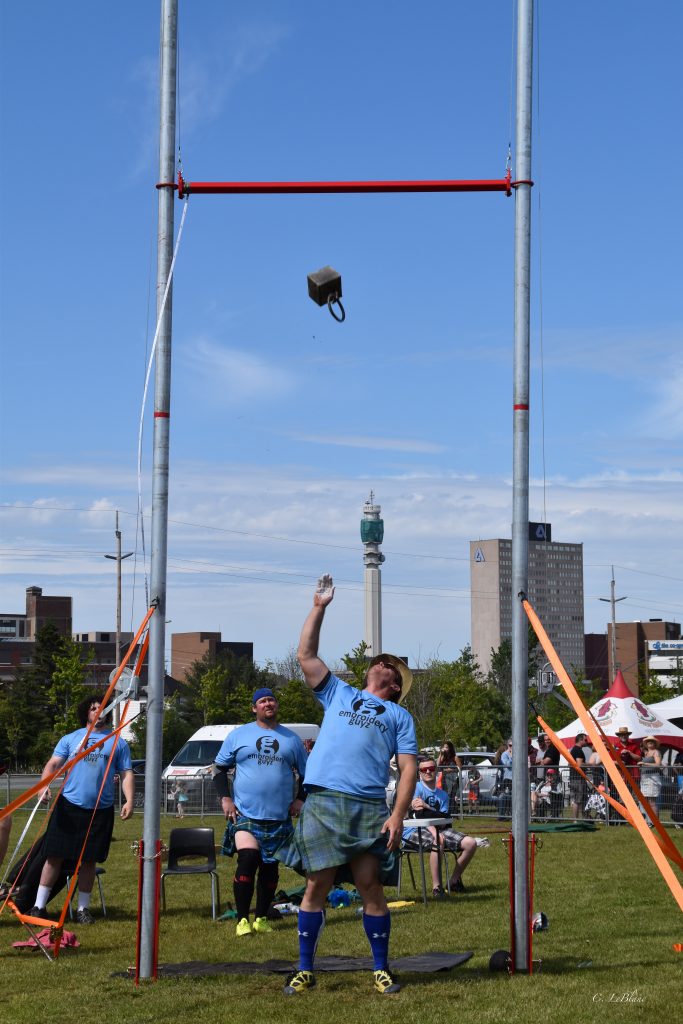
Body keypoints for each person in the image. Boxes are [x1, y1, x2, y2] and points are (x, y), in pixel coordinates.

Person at [278, 574, 418, 997]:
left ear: (394, 685)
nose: (381, 663)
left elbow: (409, 768)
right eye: (381, 661)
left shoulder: (398, 717)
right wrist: (319, 606)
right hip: (323, 801)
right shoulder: (338, 692)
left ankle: (381, 968)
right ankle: (304, 968)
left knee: (369, 885)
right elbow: (305, 654)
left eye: (390, 666)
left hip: (366, 807)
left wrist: (397, 815)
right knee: (316, 885)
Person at [212, 687, 308, 937]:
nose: (268, 704)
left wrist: (299, 800)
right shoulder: (239, 735)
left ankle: (261, 918)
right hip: (245, 814)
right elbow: (219, 769)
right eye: (262, 701)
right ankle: (242, 920)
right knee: (248, 859)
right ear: (254, 708)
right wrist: (225, 798)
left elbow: (308, 776)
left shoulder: (291, 739)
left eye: (271, 700)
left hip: (278, 817)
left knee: (270, 869)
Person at [31, 694, 134, 923]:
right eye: (93, 708)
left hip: (101, 809)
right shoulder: (71, 739)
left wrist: (128, 800)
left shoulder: (118, 742)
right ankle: (38, 906)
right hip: (68, 806)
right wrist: (43, 786)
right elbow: (53, 764)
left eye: (103, 708)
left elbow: (126, 773)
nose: (99, 712)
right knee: (53, 856)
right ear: (86, 713)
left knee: (89, 860)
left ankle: (82, 910)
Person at [402, 759, 486, 897]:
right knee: (438, 840)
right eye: (424, 769)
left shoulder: (443, 795)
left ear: (436, 770)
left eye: (431, 768)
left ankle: (453, 881)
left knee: (471, 843)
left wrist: (427, 807)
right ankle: (437, 887)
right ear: (419, 773)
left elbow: (444, 820)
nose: (428, 771)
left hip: (439, 829)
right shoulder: (415, 788)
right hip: (413, 830)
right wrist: (435, 822)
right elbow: (417, 815)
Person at [637, 736, 663, 822]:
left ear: (655, 743)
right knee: (645, 801)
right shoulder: (646, 753)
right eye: (648, 741)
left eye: (652, 741)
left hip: (653, 778)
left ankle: (655, 822)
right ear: (646, 744)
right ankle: (648, 821)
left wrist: (644, 763)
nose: (650, 742)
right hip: (644, 778)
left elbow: (658, 764)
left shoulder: (656, 752)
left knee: (652, 802)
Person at [568, 732, 589, 820]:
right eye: (585, 740)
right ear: (580, 740)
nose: (587, 741)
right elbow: (579, 764)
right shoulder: (578, 750)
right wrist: (591, 764)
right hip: (578, 779)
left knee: (580, 799)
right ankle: (575, 820)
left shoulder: (573, 749)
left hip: (574, 778)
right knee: (578, 800)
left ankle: (583, 818)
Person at [436, 741, 461, 811]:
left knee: (452, 796)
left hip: (453, 779)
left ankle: (453, 812)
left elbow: (460, 768)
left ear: (450, 748)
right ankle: (446, 810)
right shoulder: (443, 757)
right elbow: (437, 765)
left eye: (446, 747)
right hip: (445, 779)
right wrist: (440, 754)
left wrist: (452, 770)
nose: (445, 749)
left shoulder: (455, 757)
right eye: (444, 747)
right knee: (445, 795)